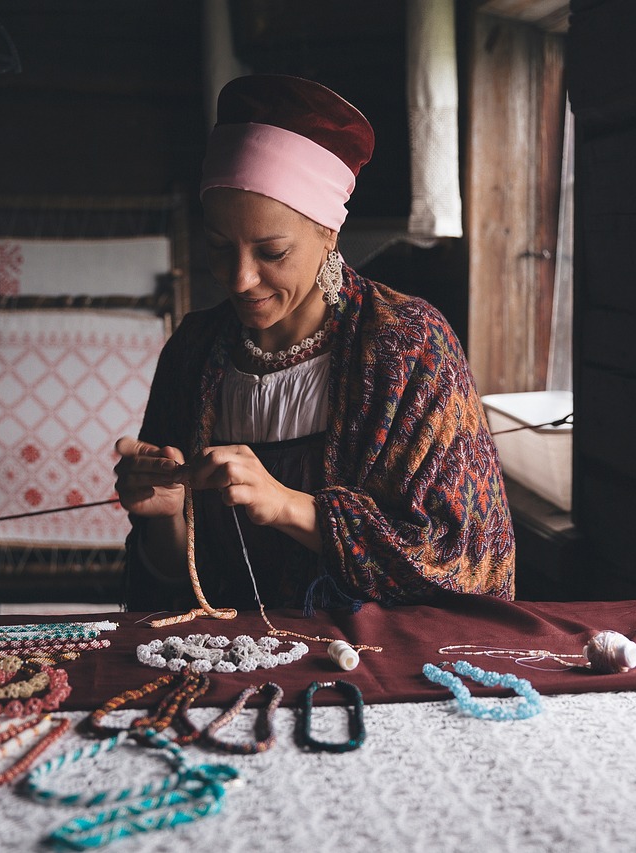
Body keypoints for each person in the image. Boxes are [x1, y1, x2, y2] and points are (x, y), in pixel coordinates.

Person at [114, 74, 514, 614]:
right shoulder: (194, 353)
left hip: (371, 674)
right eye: (217, 247)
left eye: (272, 252)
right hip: (231, 662)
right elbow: (174, 589)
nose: (239, 279)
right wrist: (164, 517)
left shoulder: (409, 348)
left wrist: (286, 506)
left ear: (330, 232)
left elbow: (464, 561)